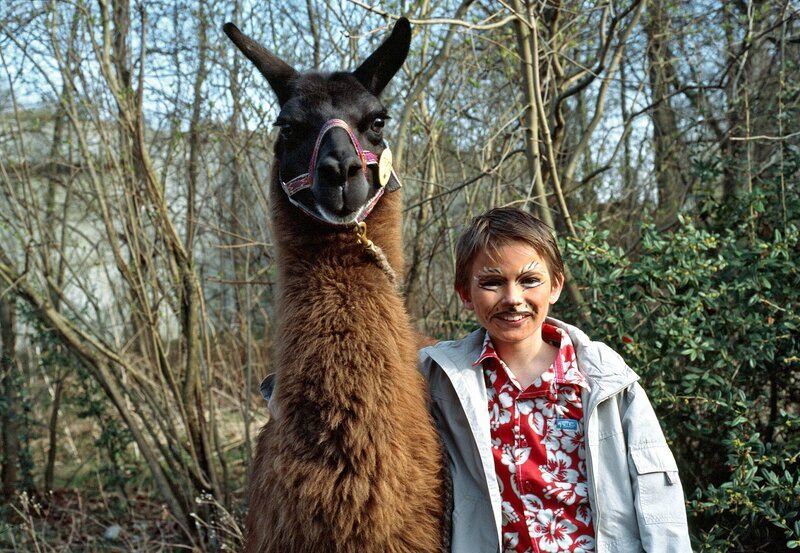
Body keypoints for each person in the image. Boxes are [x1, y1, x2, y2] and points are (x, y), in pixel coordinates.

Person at [419, 207, 692, 553]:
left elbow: (658, 496)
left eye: (529, 280)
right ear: (464, 292)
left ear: (556, 286)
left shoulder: (606, 381)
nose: (512, 298)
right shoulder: (441, 378)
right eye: (491, 282)